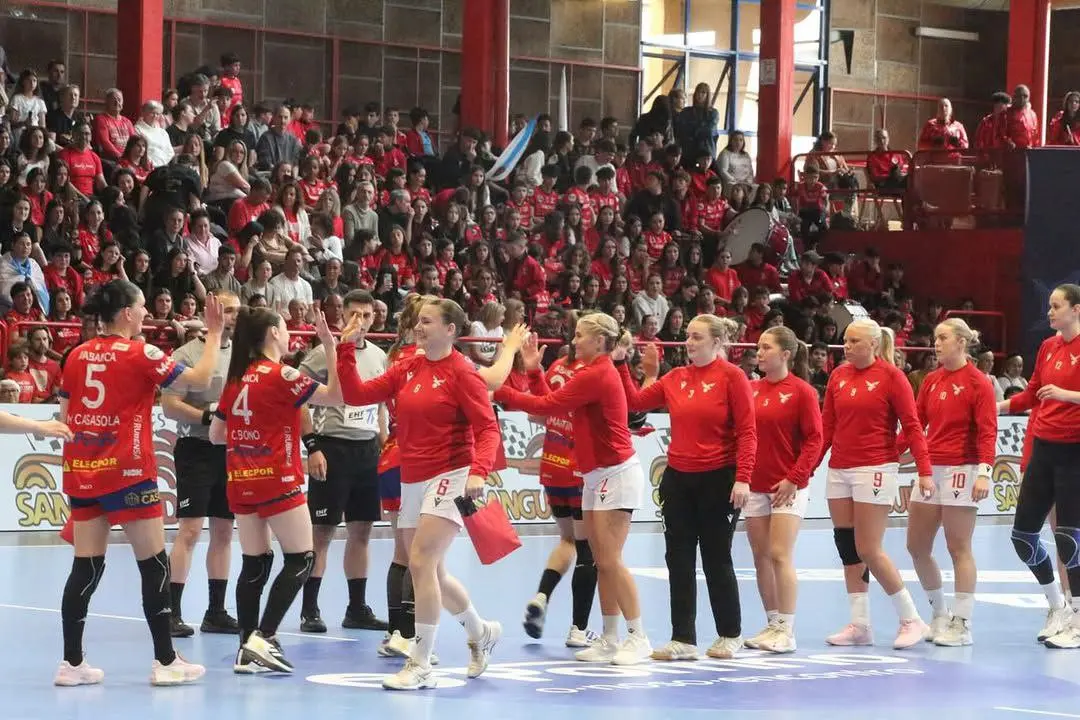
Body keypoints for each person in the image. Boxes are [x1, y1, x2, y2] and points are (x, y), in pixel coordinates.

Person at [55, 281, 224, 687]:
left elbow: (64, 413)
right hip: (128, 472)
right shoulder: (141, 353)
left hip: (83, 470)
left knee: (86, 567)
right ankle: (166, 661)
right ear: (127, 313)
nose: (147, 313)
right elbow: (200, 379)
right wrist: (215, 333)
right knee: (154, 565)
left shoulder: (76, 355)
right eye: (143, 307)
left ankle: (71, 664)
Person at [336, 298, 505, 690]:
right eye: (418, 321)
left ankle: (421, 661)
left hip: (452, 472)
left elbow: (488, 428)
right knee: (432, 570)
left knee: (421, 559)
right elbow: (357, 394)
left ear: (450, 330)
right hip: (413, 476)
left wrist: (479, 472)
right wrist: (346, 349)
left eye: (428, 321)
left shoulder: (463, 373)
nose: (419, 326)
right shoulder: (409, 365)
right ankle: (481, 633)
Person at [496, 313, 652, 666]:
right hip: (594, 475)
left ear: (599, 341)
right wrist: (534, 374)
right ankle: (610, 637)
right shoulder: (587, 372)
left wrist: (500, 391)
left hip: (617, 473)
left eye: (581, 335)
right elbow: (555, 407)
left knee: (610, 559)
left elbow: (548, 406)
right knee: (600, 561)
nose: (574, 340)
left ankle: (637, 635)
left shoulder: (598, 374)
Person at [615, 314, 757, 661]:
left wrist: (743, 477)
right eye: (687, 336)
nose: (689, 342)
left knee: (716, 558)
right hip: (678, 478)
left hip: (719, 478)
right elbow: (633, 402)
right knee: (677, 559)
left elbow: (748, 432)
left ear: (717, 342)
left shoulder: (732, 377)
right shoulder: (675, 377)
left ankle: (730, 633)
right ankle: (683, 638)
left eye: (697, 337)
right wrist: (622, 363)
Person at [209, 305, 341, 673]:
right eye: (285, 329)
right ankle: (263, 638)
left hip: (241, 480)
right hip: (278, 479)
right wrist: (329, 347)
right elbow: (335, 397)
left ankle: (246, 648)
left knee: (255, 562)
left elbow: (215, 435)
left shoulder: (235, 378)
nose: (289, 335)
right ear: (271, 334)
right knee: (302, 558)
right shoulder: (283, 374)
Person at [819, 318, 933, 649]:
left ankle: (911, 619)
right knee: (847, 547)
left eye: (854, 341)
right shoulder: (838, 376)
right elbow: (827, 428)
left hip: (875, 467)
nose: (847, 346)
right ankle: (860, 624)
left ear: (873, 344)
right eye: (845, 340)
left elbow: (912, 426)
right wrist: (805, 471)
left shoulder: (892, 377)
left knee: (869, 547)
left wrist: (924, 470)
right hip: (839, 468)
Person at [298, 290, 389, 633]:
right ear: (342, 317)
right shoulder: (323, 354)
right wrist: (313, 447)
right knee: (321, 533)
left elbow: (379, 403)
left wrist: (384, 439)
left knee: (361, 531)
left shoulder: (380, 356)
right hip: (332, 449)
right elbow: (300, 399)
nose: (360, 322)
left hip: (367, 451)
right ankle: (310, 610)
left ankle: (356, 608)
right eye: (354, 315)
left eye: (366, 316)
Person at [902, 320, 996, 646]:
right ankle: (940, 613)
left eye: (942, 338)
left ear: (961, 342)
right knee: (916, 547)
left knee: (958, 548)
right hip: (931, 469)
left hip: (963, 469)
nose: (936, 344)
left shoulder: (978, 382)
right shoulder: (930, 380)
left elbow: (987, 431)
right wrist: (886, 452)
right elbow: (916, 424)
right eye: (935, 338)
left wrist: (984, 472)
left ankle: (963, 622)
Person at [1000, 284, 1080, 648]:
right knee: (1023, 535)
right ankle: (1057, 605)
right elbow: (1032, 393)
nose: (1049, 312)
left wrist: (1067, 396)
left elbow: (1057, 394)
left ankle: (1078, 618)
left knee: (1068, 536)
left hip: (1074, 451)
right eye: (1049, 306)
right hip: (1044, 449)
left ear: (1076, 309)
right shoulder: (1048, 347)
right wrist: (997, 407)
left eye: (1056, 306)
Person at [162, 290, 242, 638]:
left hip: (233, 451)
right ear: (213, 313)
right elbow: (169, 405)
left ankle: (216, 611)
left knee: (224, 532)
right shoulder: (187, 353)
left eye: (239, 310)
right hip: (197, 447)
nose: (236, 316)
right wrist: (208, 416)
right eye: (229, 310)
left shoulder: (244, 355)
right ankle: (172, 611)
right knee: (190, 531)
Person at [743, 326, 822, 654]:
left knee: (779, 553)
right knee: (760, 557)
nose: (759, 353)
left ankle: (786, 630)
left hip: (788, 486)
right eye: (758, 348)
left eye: (766, 347)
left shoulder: (802, 392)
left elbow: (815, 439)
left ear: (786, 354)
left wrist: (794, 478)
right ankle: (772, 623)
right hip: (755, 485)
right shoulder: (750, 389)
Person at [521, 340, 598, 648]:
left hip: (552, 465)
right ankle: (579, 629)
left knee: (568, 540)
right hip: (580, 467)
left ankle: (542, 595)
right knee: (589, 550)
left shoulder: (557, 366)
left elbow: (536, 415)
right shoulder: (593, 372)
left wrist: (534, 373)